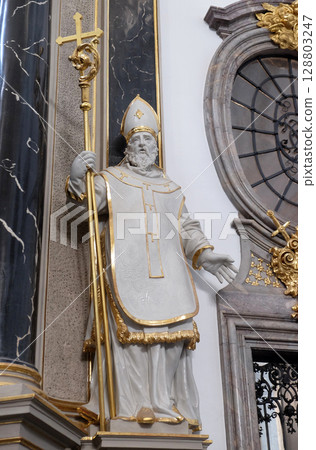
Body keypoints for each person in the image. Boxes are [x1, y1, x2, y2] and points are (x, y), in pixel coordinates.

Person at [67, 95, 237, 430]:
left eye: (148, 139)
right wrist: (77, 175)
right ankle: (134, 406)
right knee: (131, 335)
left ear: (156, 146)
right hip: (127, 271)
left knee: (171, 337)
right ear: (128, 146)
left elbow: (186, 227)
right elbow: (87, 199)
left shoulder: (171, 189)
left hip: (168, 273)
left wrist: (205, 253)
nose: (143, 145)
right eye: (137, 140)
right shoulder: (111, 179)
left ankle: (163, 401)